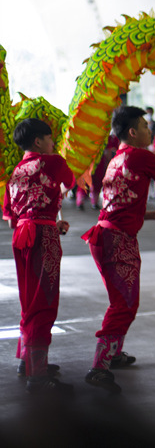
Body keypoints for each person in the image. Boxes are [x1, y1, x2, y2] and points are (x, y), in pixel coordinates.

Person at [82, 106, 155, 393]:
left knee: (124, 299)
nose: (150, 132)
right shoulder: (139, 156)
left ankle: (114, 353)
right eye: (146, 127)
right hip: (117, 240)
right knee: (124, 303)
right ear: (132, 132)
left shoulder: (118, 159)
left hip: (108, 235)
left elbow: (117, 204)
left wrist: (152, 215)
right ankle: (99, 365)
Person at [3, 119, 75, 395]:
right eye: (49, 137)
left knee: (29, 299)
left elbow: (12, 220)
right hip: (42, 237)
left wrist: (46, 218)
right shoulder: (52, 162)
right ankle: (38, 374)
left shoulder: (16, 172)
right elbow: (69, 181)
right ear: (38, 142)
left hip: (22, 236)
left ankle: (27, 361)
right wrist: (48, 221)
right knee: (43, 302)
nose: (53, 143)